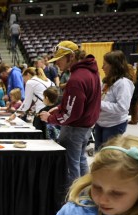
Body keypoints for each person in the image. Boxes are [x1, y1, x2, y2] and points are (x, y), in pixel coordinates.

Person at [39, 41, 101, 189]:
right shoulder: (91, 72)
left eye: (59, 60)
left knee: (69, 166)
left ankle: (72, 199)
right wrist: (60, 107)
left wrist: (50, 118)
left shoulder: (76, 79)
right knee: (80, 160)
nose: (57, 64)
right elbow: (82, 102)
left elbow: (72, 113)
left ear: (71, 57)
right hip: (86, 126)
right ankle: (86, 192)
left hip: (74, 128)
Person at [94, 50, 134, 150]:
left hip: (114, 125)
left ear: (114, 66)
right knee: (99, 154)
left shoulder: (123, 83)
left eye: (105, 64)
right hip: (101, 122)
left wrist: (99, 103)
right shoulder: (108, 81)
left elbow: (122, 107)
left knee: (108, 157)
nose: (102, 67)